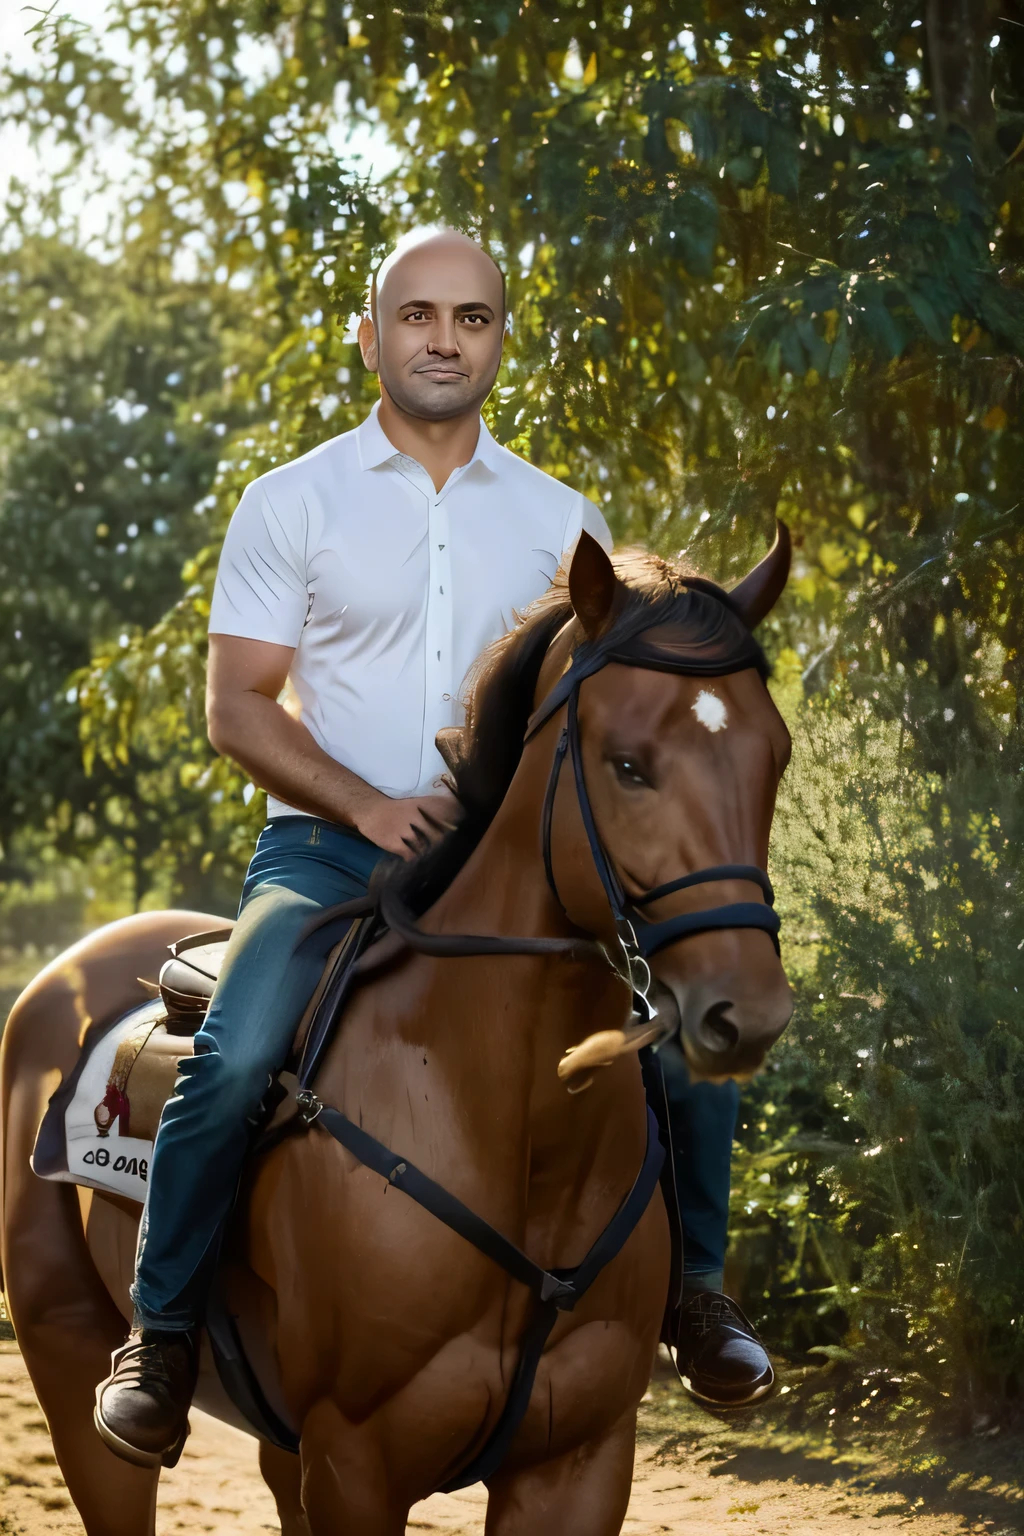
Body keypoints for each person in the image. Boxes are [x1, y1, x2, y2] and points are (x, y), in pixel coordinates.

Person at [95, 226, 770, 1469]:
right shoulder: (287, 499)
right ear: (371, 335)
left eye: (471, 317)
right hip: (326, 858)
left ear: (500, 341)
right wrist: (362, 806)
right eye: (417, 315)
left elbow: (611, 715)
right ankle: (164, 1332)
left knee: (674, 1044)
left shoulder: (563, 523)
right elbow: (236, 706)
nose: (443, 338)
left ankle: (700, 1297)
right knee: (237, 1055)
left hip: (504, 866)